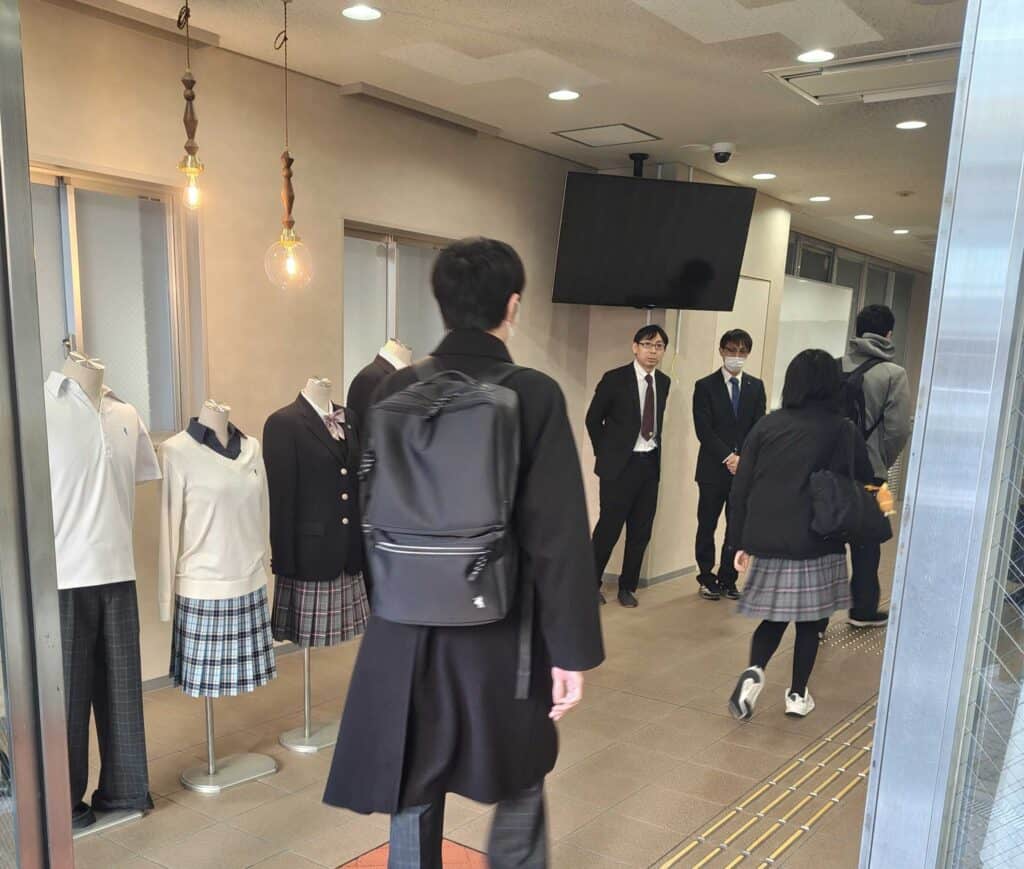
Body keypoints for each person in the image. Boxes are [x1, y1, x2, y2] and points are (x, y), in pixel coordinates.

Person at [323, 238, 604, 869]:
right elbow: (558, 534)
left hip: (405, 625)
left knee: (412, 774)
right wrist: (570, 652)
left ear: (442, 304)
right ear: (513, 306)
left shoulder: (393, 389)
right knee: (518, 770)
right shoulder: (533, 393)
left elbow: (369, 506)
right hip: (502, 626)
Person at [727, 349, 874, 720]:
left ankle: (754, 670)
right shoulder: (842, 429)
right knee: (811, 622)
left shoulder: (767, 426)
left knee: (774, 617)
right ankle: (796, 695)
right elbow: (864, 478)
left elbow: (741, 487)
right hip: (819, 538)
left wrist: (738, 542)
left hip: (770, 538)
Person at [586, 326, 672, 607]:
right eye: (647, 344)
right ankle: (589, 583)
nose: (652, 351)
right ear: (635, 347)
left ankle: (627, 587)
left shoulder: (664, 382)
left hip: (649, 464)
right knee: (608, 528)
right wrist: (605, 453)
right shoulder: (615, 379)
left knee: (640, 531)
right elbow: (592, 419)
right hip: (619, 467)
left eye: (658, 346)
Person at [841, 305, 912, 627]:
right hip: (871, 474)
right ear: (888, 334)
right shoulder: (894, 374)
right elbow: (898, 430)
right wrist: (881, 460)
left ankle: (814, 620)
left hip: (829, 471)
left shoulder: (834, 366)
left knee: (826, 540)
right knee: (868, 541)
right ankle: (863, 610)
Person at [692, 329, 767, 601]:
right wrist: (729, 457)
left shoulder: (755, 386)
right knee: (707, 524)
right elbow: (704, 430)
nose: (737, 356)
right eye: (732, 350)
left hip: (743, 471)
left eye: (742, 351)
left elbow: (759, 427)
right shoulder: (705, 386)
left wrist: (743, 458)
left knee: (736, 526)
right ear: (722, 351)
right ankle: (706, 576)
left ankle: (728, 577)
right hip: (713, 469)